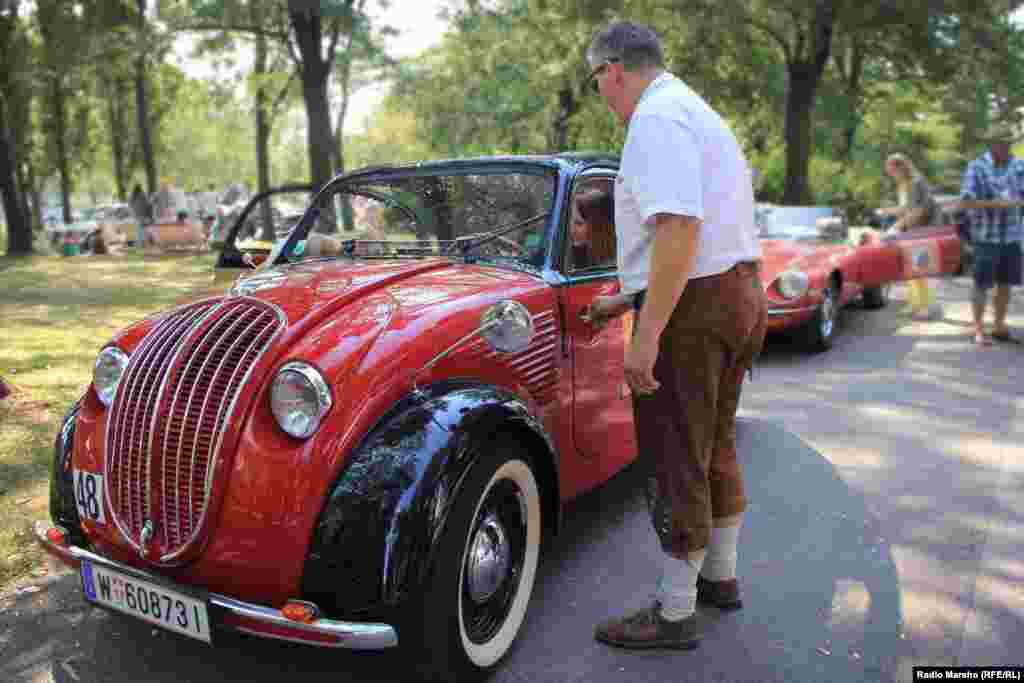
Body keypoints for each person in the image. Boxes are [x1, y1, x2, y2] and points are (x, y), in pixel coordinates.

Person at [583, 22, 767, 650]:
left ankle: (674, 610)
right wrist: (624, 299)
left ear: (613, 69)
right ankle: (721, 577)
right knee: (714, 441)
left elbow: (680, 231)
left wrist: (646, 336)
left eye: (596, 80)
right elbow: (703, 234)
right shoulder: (695, 110)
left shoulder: (655, 121)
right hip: (739, 293)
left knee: (674, 452)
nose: (601, 94)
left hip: (695, 308)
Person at [958, 121, 1024, 346]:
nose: (1007, 149)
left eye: (1009, 144)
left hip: (1013, 237)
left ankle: (999, 325)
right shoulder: (977, 167)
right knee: (981, 284)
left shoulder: (1019, 166)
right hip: (986, 237)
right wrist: (995, 204)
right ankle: (978, 329)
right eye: (1003, 144)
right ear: (992, 145)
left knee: (1006, 284)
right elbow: (966, 202)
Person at [876, 153, 942, 320]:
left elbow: (919, 211)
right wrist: (887, 211)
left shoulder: (917, 182)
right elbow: (905, 208)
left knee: (920, 268)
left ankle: (925, 308)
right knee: (909, 269)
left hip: (922, 230)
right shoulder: (903, 185)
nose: (891, 175)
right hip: (910, 230)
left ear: (901, 167)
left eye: (892, 171)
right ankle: (914, 304)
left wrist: (895, 227)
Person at [571, 189, 616, 269]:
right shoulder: (574, 255)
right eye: (570, 222)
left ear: (597, 227)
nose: (572, 229)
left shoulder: (609, 267)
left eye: (579, 223)